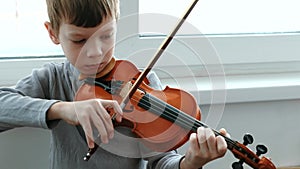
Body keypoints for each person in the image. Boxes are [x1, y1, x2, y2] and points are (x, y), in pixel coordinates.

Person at [0, 0, 228, 168]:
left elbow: (161, 161)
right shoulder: (53, 79)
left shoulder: (142, 84)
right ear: (53, 33)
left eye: (106, 36)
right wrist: (62, 109)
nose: (96, 52)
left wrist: (190, 163)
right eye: (79, 40)